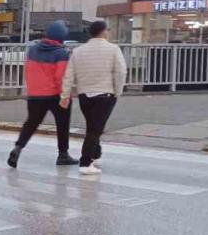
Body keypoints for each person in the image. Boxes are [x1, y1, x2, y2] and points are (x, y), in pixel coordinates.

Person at [8, 20, 79, 168]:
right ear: (61, 37)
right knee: (62, 124)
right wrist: (65, 95)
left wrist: (32, 89)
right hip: (54, 95)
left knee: (31, 123)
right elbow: (61, 77)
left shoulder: (33, 50)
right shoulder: (61, 53)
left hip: (35, 95)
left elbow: (27, 70)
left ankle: (18, 147)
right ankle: (63, 154)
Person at [61, 20, 127, 176]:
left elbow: (69, 75)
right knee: (95, 129)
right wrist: (117, 91)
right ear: (104, 32)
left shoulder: (78, 51)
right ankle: (85, 162)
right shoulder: (113, 49)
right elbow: (121, 72)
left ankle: (96, 155)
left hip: (85, 95)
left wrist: (65, 95)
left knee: (93, 125)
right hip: (105, 94)